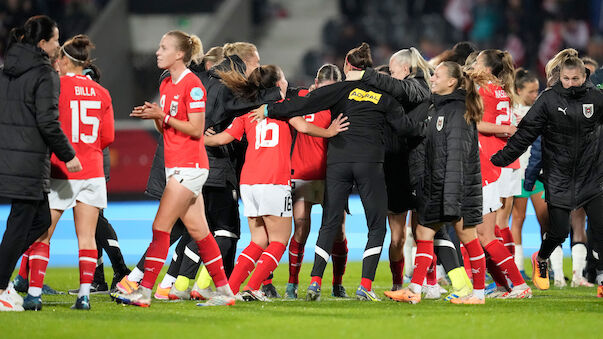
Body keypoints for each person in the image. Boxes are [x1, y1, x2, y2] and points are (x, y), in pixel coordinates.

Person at [253, 43, 411, 301]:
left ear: (347, 66)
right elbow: (405, 127)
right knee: (375, 226)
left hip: (336, 164)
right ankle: (365, 286)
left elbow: (302, 105)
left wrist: (270, 109)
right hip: (368, 163)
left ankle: (315, 282)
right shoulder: (384, 95)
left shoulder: (339, 91)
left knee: (328, 225)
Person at [112, 30, 235, 307]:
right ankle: (225, 292)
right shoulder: (167, 84)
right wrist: (156, 116)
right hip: (176, 165)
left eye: (163, 47)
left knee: (160, 227)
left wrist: (162, 115)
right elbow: (166, 128)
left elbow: (195, 129)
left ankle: (143, 291)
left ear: (179, 54)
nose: (157, 51)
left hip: (189, 167)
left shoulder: (193, 86)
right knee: (202, 233)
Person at [347, 48, 473, 300]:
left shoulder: (417, 86)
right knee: (429, 231)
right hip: (410, 168)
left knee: (434, 231)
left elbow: (404, 92)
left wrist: (366, 75)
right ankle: (435, 286)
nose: (391, 76)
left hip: (422, 169)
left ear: (405, 70)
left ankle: (455, 286)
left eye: (393, 71)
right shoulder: (422, 94)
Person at [491, 56, 603, 298]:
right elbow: (525, 135)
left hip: (591, 175)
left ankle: (602, 276)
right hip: (558, 176)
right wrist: (500, 158)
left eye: (575, 79)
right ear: (559, 77)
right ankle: (541, 259)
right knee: (558, 231)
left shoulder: (596, 99)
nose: (571, 83)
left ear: (584, 77)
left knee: (601, 225)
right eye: (566, 79)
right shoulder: (548, 100)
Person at [18, 35, 115, 311]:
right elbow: (107, 137)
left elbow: (45, 126)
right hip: (93, 171)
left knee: (42, 235)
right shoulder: (102, 92)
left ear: (62, 61)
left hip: (63, 170)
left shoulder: (55, 87)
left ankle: (34, 294)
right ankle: (84, 296)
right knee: (86, 238)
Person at [384, 61, 487, 304]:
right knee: (423, 232)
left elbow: (456, 157)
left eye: (437, 75)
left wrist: (451, 197)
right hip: (439, 187)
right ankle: (415, 291)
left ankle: (478, 294)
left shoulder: (457, 112)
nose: (432, 78)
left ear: (451, 82)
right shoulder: (440, 109)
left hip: (455, 189)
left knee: (469, 237)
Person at [0, 15, 82, 312]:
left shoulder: (7, 69)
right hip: (29, 160)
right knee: (23, 223)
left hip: (10, 156)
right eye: (56, 40)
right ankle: (0, 287)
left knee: (38, 221)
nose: (59, 46)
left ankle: (2, 274)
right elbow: (47, 121)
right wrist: (69, 154)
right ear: (43, 43)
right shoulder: (44, 73)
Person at [285, 64, 350, 299]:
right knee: (301, 229)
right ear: (315, 83)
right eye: (324, 88)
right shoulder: (301, 98)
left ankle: (337, 283)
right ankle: (292, 284)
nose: (327, 94)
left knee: (338, 233)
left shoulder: (341, 106)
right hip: (301, 173)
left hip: (332, 176)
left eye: (332, 89)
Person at [471, 49, 531, 298]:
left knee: (483, 233)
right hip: (497, 160)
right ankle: (505, 285)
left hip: (486, 161)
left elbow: (479, 124)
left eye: (476, 62)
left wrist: (505, 128)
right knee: (486, 231)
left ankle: (518, 284)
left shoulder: (483, 91)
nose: (471, 65)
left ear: (485, 69)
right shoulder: (501, 90)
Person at [509, 69, 548, 280]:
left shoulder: (540, 110)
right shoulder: (511, 111)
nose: (535, 95)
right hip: (517, 172)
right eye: (531, 91)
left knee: (546, 219)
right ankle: (518, 267)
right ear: (518, 90)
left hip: (537, 172)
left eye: (537, 91)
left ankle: (545, 264)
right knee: (518, 219)